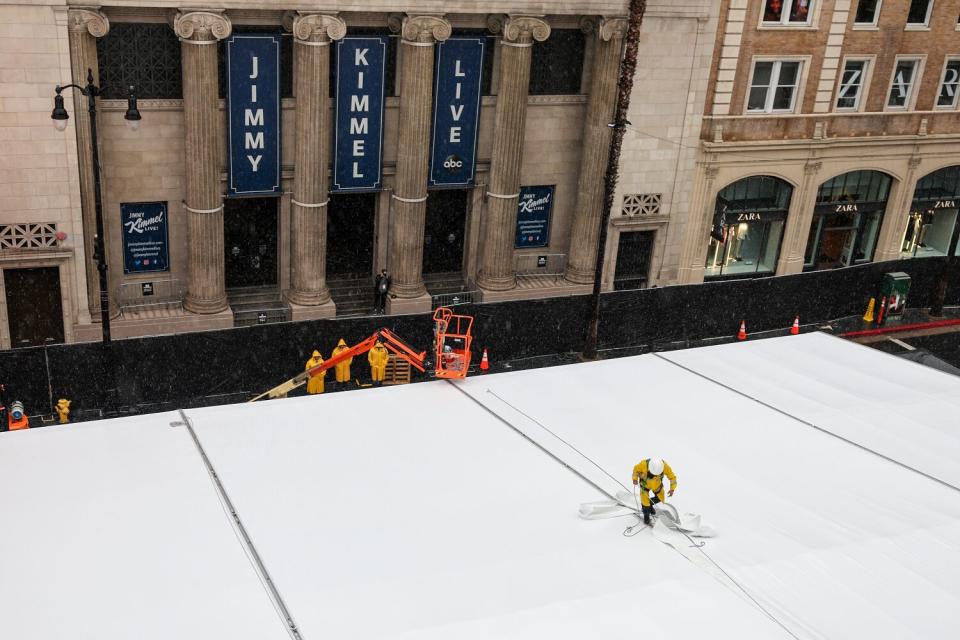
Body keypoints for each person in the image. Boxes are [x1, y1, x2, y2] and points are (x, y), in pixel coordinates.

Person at [632, 457, 677, 525]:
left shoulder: (665, 466)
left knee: (660, 498)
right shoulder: (643, 464)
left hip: (657, 485)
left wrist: (672, 489)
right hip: (645, 485)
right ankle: (646, 516)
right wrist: (634, 478)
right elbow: (636, 470)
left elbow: (672, 477)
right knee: (645, 503)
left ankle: (649, 506)